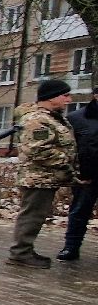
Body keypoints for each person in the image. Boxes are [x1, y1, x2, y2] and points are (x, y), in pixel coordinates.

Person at [8, 78, 76, 268]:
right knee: (32, 216)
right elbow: (38, 150)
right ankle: (20, 254)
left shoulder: (50, 117)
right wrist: (66, 163)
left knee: (35, 215)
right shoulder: (36, 119)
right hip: (37, 178)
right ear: (51, 97)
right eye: (65, 95)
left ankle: (24, 250)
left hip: (45, 177)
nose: (69, 100)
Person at [57, 93, 97, 261]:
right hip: (86, 177)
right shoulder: (76, 118)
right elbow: (65, 147)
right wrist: (73, 171)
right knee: (79, 211)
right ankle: (71, 247)